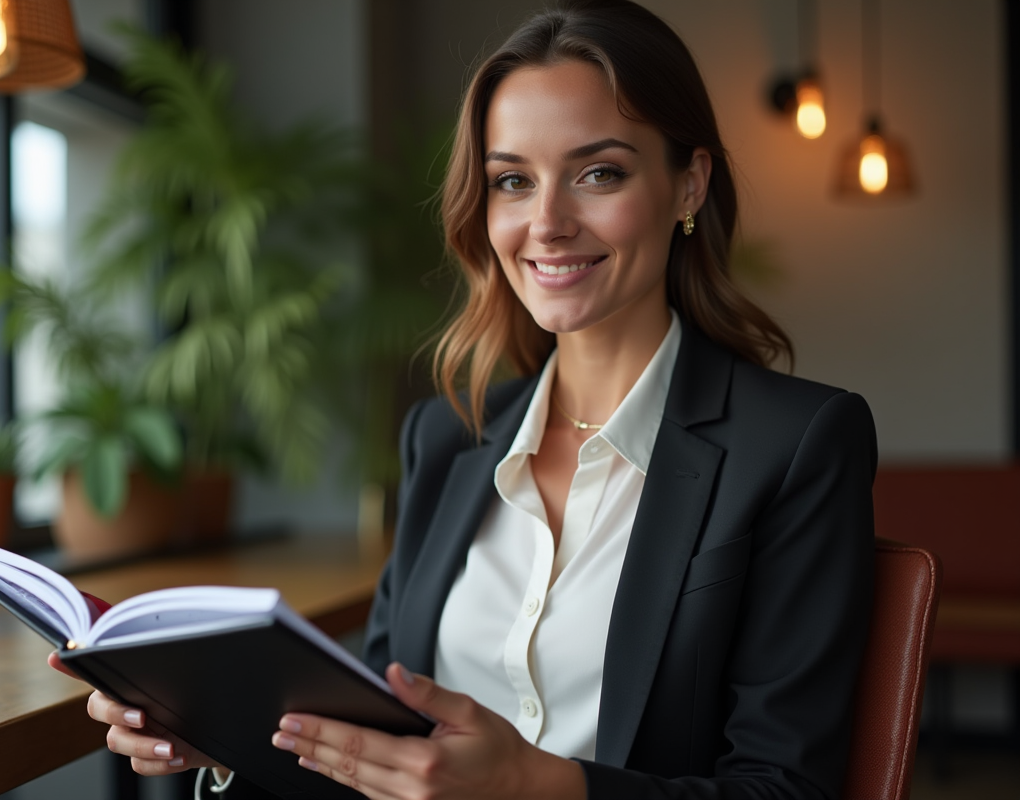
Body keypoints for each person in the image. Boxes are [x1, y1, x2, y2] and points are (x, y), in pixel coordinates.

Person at [68, 1, 877, 797]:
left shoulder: (797, 444)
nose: (547, 222)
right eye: (513, 181)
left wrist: (538, 785)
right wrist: (217, 726)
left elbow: (784, 788)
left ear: (689, 184)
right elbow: (380, 741)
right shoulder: (446, 438)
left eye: (599, 172)